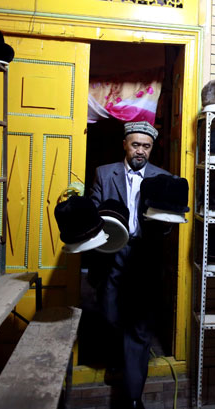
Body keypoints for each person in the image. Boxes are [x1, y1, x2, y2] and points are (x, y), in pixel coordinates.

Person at [88, 121, 170, 409]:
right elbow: (94, 211)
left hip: (144, 257)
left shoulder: (162, 177)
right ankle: (123, 357)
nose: (140, 151)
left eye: (146, 147)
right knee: (111, 315)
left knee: (139, 325)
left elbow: (170, 223)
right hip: (113, 254)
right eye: (136, 145)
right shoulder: (103, 173)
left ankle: (133, 397)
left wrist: (163, 223)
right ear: (125, 144)